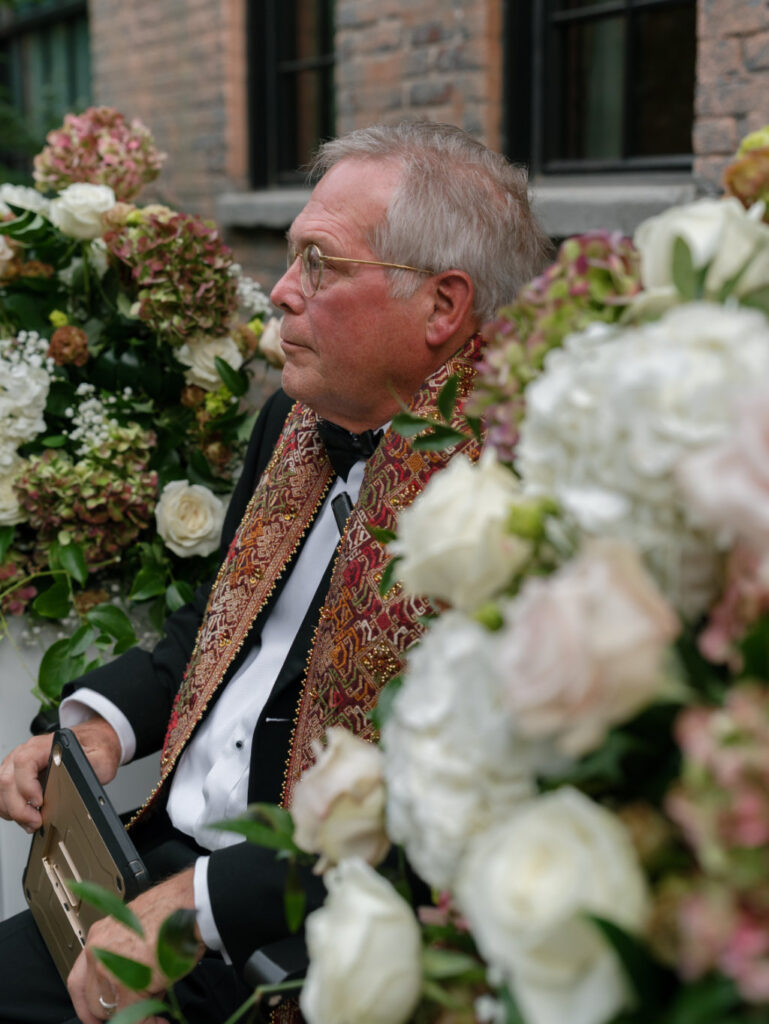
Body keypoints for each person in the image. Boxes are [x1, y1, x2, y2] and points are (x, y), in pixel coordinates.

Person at [0, 121, 551, 1024]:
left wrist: (199, 907)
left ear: (442, 307)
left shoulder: (508, 496)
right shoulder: (291, 426)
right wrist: (96, 728)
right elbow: (216, 631)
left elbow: (445, 796)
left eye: (319, 263)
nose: (282, 292)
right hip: (159, 872)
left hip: (303, 943)